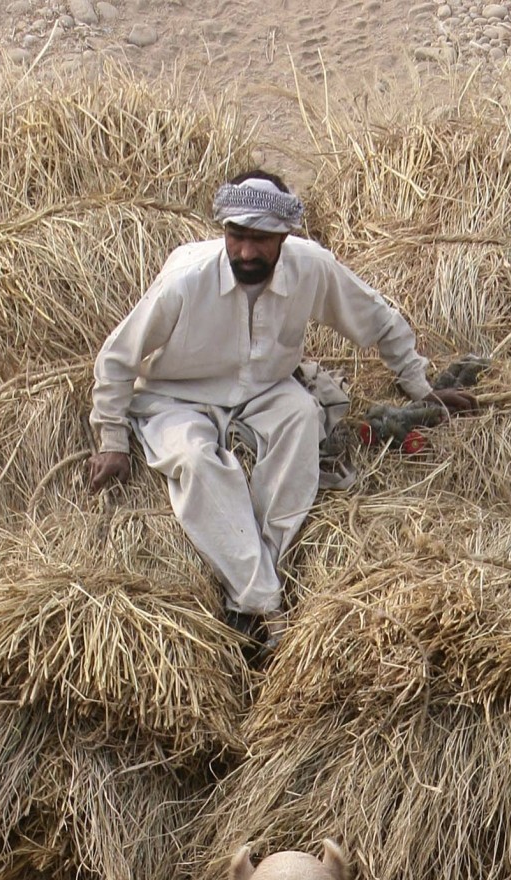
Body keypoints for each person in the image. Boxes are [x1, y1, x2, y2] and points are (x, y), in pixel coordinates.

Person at [87, 170, 475, 643]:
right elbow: (117, 357)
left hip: (268, 389)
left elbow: (377, 318)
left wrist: (420, 387)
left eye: (261, 239)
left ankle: (257, 580)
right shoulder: (185, 280)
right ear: (224, 232)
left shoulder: (310, 267)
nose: (247, 252)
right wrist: (112, 440)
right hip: (176, 396)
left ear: (285, 237)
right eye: (237, 236)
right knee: (195, 461)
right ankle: (264, 603)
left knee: (301, 417)